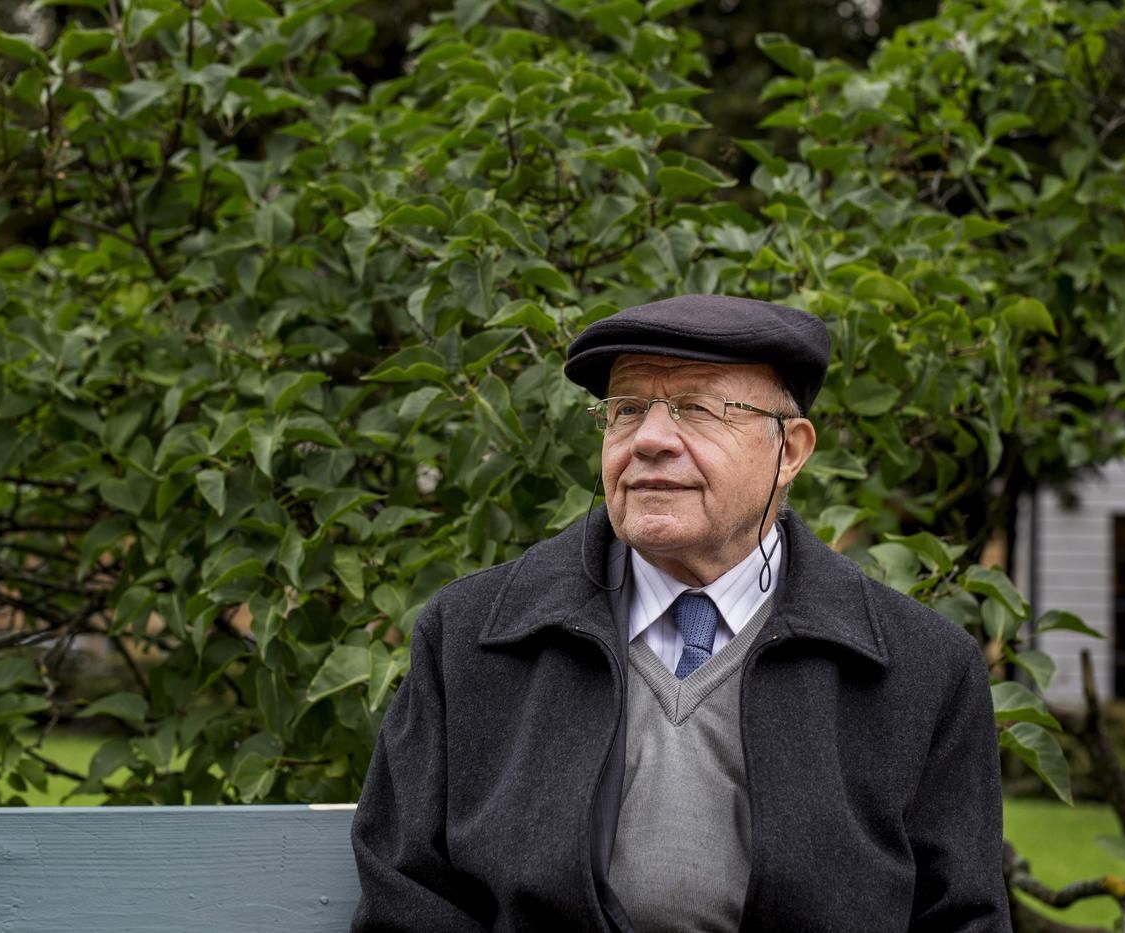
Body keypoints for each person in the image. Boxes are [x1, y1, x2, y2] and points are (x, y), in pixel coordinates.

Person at [350, 295, 1011, 932]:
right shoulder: (470, 639)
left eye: (696, 408)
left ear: (790, 450)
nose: (650, 439)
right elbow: (410, 900)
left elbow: (961, 918)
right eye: (627, 409)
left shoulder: (922, 669)